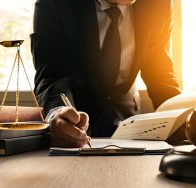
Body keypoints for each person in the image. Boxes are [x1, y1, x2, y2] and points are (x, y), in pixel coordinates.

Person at [31, 0, 181, 147]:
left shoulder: (159, 4)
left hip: (131, 128)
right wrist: (58, 113)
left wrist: (183, 117)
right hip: (77, 130)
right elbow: (52, 76)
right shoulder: (54, 4)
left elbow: (160, 75)